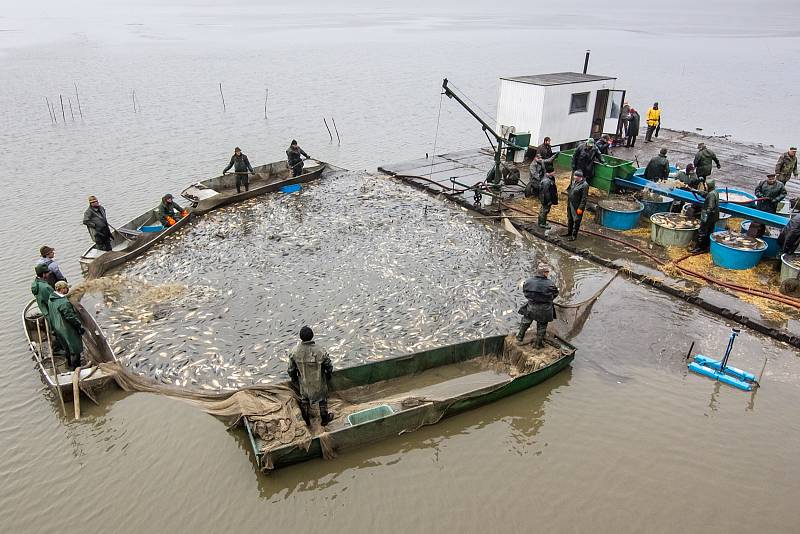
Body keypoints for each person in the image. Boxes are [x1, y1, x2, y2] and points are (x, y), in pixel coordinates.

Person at [288, 326, 334, 426]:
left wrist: (294, 379)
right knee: (322, 400)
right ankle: (325, 419)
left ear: (300, 337)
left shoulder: (294, 352)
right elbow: (329, 366)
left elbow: (291, 370)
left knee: (304, 400)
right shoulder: (320, 351)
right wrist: (329, 375)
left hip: (304, 384)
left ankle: (307, 421)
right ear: (312, 336)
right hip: (319, 383)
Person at [516, 263, 559, 348]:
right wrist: (546, 300)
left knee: (525, 321)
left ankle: (519, 337)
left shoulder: (528, 281)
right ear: (543, 273)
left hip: (531, 307)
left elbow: (525, 292)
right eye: (547, 272)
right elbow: (555, 294)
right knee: (542, 326)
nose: (548, 273)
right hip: (545, 309)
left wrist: (532, 299)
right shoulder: (550, 284)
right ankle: (537, 344)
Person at [48, 281, 85, 370]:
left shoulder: (51, 298)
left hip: (57, 328)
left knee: (66, 347)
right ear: (62, 289)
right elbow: (71, 317)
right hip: (67, 329)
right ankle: (76, 368)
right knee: (75, 349)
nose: (68, 289)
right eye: (66, 288)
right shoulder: (64, 303)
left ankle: (68, 364)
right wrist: (79, 327)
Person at [690, 178, 720, 253]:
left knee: (702, 231)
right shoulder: (714, 191)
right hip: (714, 217)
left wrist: (705, 217)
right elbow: (706, 194)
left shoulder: (711, 195)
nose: (705, 186)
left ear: (709, 185)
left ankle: (699, 248)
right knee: (709, 231)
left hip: (709, 217)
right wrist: (696, 191)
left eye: (706, 184)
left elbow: (710, 206)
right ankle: (706, 247)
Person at [564, 170, 589, 241]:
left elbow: (584, 198)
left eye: (576, 176)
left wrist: (580, 208)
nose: (574, 177)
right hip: (570, 203)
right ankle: (569, 232)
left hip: (577, 206)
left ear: (580, 177)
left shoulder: (585, 185)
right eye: (574, 175)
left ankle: (574, 236)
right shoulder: (573, 182)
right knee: (570, 218)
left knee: (576, 220)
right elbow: (569, 190)